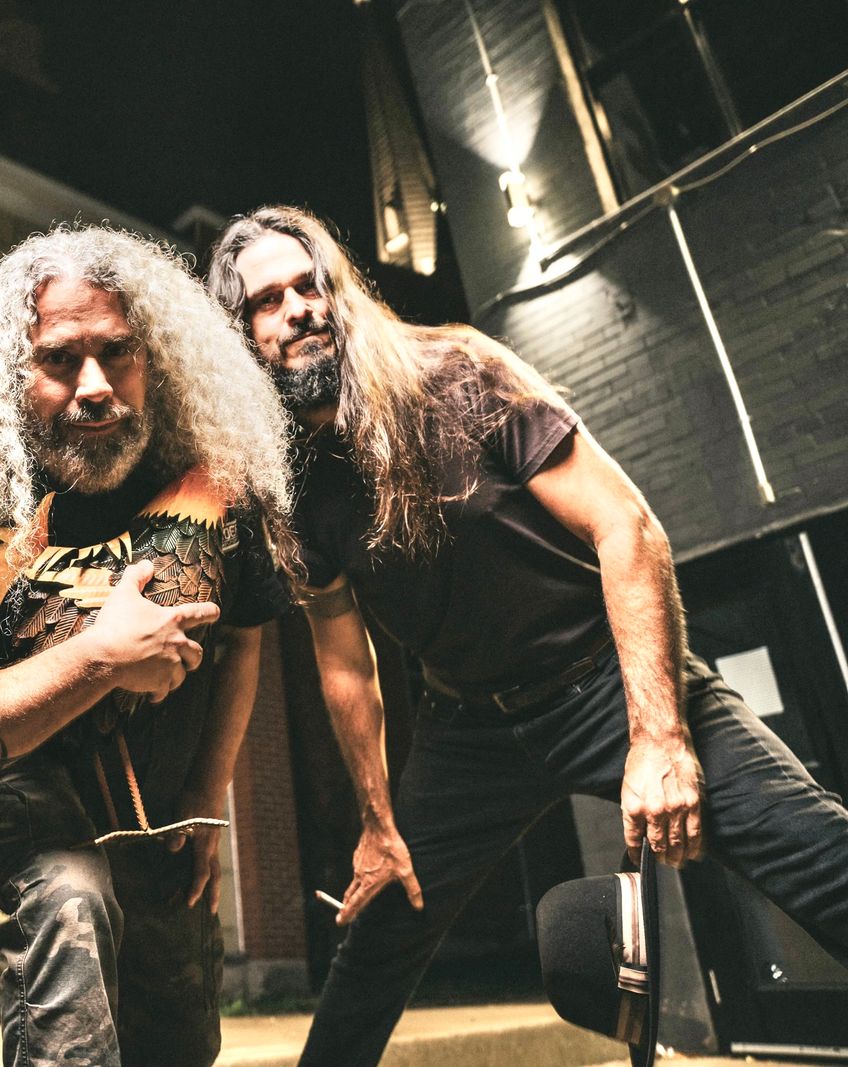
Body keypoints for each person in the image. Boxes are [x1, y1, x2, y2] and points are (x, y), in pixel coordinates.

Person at [205, 204, 848, 1067]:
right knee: (382, 933)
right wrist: (378, 819)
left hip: (605, 678)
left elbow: (628, 528)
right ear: (243, 335)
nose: (298, 309)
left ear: (339, 291)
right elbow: (346, 662)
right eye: (267, 301)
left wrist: (659, 735)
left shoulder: (457, 373)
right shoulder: (295, 486)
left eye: (309, 284)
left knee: (818, 856)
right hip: (471, 727)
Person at [0, 226, 298, 1067]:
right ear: (15, 370)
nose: (95, 386)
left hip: (159, 807)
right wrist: (98, 657)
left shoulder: (214, 477)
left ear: (155, 357)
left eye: (117, 352)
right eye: (59, 359)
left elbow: (243, 640)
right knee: (70, 902)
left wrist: (207, 792)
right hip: (17, 792)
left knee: (178, 1039)